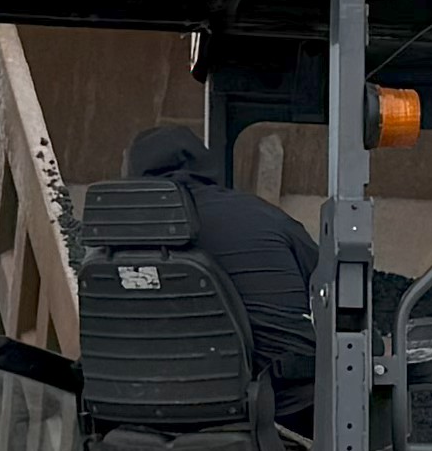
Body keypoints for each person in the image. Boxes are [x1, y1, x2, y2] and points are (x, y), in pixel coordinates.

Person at [118, 119, 316, 427]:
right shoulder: (266, 219)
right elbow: (335, 291)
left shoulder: (112, 240)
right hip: (281, 409)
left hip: (142, 408)